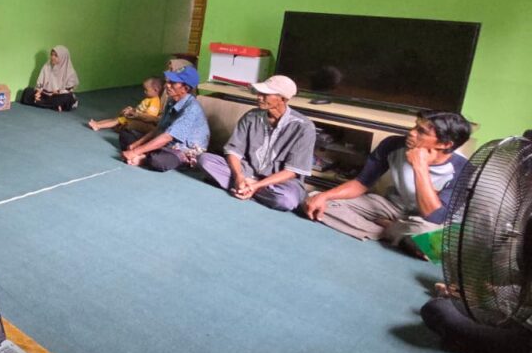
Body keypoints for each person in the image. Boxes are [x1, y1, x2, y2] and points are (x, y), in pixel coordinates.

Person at [301, 111, 471, 251]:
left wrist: (421, 167)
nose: (411, 132)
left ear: (444, 144)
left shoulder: (464, 169)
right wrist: (324, 197)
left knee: (431, 241)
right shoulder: (393, 144)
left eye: (421, 131)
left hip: (430, 222)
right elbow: (361, 183)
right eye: (415, 126)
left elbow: (435, 216)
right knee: (316, 201)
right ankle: (394, 234)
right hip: (392, 206)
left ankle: (390, 230)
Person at [195, 75, 317, 211]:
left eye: (265, 94)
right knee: (204, 160)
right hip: (247, 172)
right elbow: (233, 151)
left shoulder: (304, 127)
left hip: (279, 182)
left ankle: (246, 189)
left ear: (283, 98)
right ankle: (244, 187)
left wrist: (256, 185)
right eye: (259, 93)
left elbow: (292, 171)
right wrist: (239, 177)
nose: (259, 97)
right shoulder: (251, 116)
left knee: (286, 199)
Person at [119, 65, 209, 172]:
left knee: (158, 161)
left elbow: (167, 137)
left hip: (183, 149)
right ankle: (146, 154)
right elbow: (159, 128)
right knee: (126, 135)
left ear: (185, 89)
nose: (167, 85)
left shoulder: (192, 109)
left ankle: (144, 158)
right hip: (167, 144)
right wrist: (137, 144)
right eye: (168, 81)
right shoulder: (171, 101)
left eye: (172, 83)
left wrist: (135, 152)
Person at [88, 76, 163, 132]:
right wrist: (132, 109)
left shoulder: (154, 102)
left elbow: (148, 116)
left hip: (139, 120)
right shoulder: (148, 99)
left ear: (155, 90)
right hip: (135, 116)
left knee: (117, 120)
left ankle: (98, 126)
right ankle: (97, 123)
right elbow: (140, 109)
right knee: (115, 118)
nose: (144, 92)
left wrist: (134, 114)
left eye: (146, 90)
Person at [20, 45, 79, 111]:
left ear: (63, 57)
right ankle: (55, 106)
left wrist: (58, 92)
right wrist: (38, 92)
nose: (52, 57)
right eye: (52, 55)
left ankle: (49, 104)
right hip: (45, 94)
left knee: (68, 98)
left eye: (56, 56)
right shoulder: (47, 66)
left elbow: (69, 90)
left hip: (58, 95)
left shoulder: (70, 72)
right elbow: (40, 83)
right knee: (27, 92)